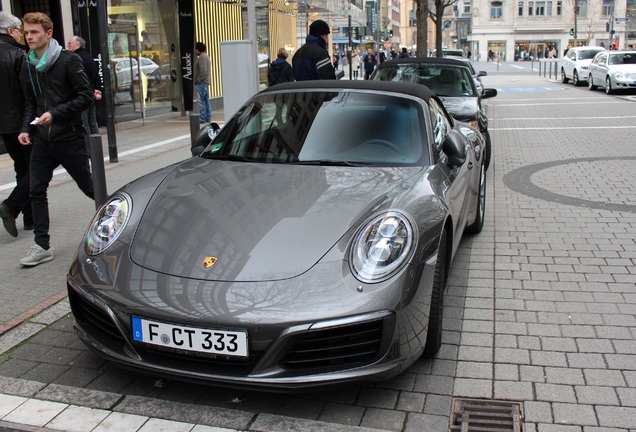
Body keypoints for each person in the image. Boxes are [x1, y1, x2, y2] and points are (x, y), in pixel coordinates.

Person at [17, 12, 94, 267]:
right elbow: (31, 102)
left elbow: (85, 96)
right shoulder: (28, 64)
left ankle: (123, 226)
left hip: (69, 137)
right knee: (35, 189)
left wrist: (55, 114)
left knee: (91, 188)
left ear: (48, 33)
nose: (29, 37)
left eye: (34, 32)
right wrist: (26, 128)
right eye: (26, 32)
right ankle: (42, 245)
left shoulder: (67, 60)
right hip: (42, 139)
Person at [0, 11, 32, 238]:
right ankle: (11, 205)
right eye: (20, 30)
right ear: (11, 31)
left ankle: (30, 218)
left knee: (22, 168)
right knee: (38, 168)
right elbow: (28, 95)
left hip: (4, 126)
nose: (22, 34)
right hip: (22, 123)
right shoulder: (18, 55)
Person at [67, 35, 102, 137]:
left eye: (70, 44)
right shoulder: (88, 57)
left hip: (82, 95)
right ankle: (96, 144)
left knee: (84, 123)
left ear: (77, 45)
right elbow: (96, 75)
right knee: (92, 122)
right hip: (91, 94)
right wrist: (97, 90)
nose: (68, 46)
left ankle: (89, 148)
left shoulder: (76, 58)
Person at [194, 41, 211, 124]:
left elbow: (202, 70)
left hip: (202, 82)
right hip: (205, 82)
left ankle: (203, 117)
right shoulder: (205, 56)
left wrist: (198, 80)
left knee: (201, 100)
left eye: (195, 49)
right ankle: (207, 116)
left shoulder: (202, 57)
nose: (194, 51)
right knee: (206, 100)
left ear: (198, 49)